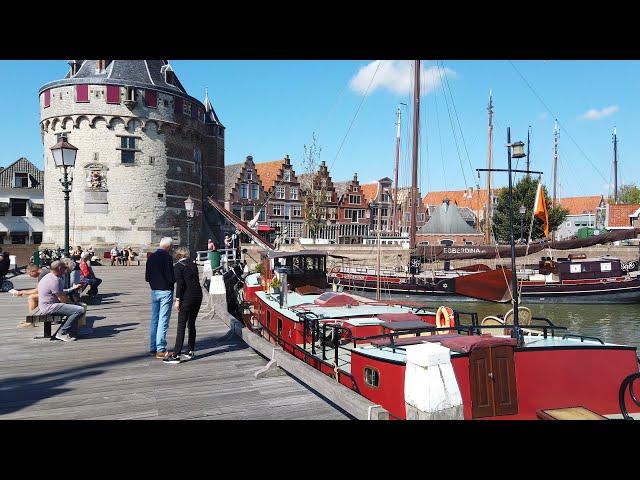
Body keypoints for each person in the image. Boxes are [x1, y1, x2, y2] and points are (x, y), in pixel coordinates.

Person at [164, 247, 203, 364]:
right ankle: (190, 350)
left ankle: (176, 355)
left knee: (181, 325)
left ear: (178, 256)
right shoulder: (193, 264)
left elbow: (180, 284)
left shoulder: (178, 266)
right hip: (198, 296)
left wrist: (177, 300)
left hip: (187, 297)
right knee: (191, 324)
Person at [38, 260, 84, 342]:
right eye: (64, 268)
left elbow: (60, 292)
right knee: (79, 310)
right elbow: (62, 299)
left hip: (46, 305)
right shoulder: (55, 280)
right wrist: (74, 304)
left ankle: (71, 331)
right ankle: (62, 333)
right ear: (59, 268)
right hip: (49, 307)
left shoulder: (48, 276)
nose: (65, 270)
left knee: (77, 308)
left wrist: (72, 290)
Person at [145, 237, 175, 359]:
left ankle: (153, 347)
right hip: (165, 291)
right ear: (168, 247)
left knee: (154, 320)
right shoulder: (167, 258)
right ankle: (160, 349)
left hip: (154, 291)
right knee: (163, 320)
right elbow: (170, 276)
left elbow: (147, 277)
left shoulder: (151, 257)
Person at [14, 263, 51, 327]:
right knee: (34, 296)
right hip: (54, 294)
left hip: (54, 296)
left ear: (33, 271)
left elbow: (37, 290)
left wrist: (22, 292)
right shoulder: (44, 272)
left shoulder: (42, 274)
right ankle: (32, 319)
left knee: (32, 298)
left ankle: (31, 321)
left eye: (29, 274)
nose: (30, 276)